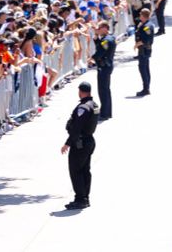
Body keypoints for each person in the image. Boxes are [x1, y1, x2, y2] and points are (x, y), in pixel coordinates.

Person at [61, 82, 99, 210]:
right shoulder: (94, 105)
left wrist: (67, 143)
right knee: (85, 170)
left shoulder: (83, 107)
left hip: (80, 143)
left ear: (81, 91)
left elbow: (77, 128)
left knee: (76, 171)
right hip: (89, 141)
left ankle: (80, 199)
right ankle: (84, 198)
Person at [90, 20, 115, 121]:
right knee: (105, 90)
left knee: (103, 90)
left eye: (99, 28)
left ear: (105, 28)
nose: (98, 30)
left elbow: (100, 52)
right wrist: (96, 35)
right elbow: (99, 45)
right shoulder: (108, 38)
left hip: (104, 67)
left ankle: (105, 113)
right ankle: (106, 111)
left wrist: (92, 58)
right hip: (105, 66)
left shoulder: (106, 40)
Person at [134, 8, 154, 96]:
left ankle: (146, 88)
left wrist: (137, 44)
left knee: (143, 69)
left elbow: (147, 40)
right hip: (143, 50)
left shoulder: (147, 26)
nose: (139, 16)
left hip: (144, 49)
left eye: (140, 15)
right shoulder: (143, 24)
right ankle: (147, 87)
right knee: (145, 68)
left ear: (143, 16)